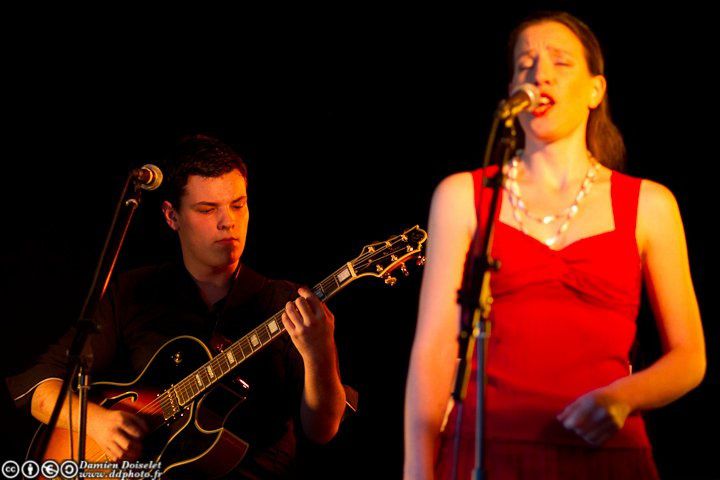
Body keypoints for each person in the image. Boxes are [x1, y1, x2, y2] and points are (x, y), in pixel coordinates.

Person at [404, 11, 705, 480]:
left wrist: (621, 397)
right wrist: (418, 473)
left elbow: (689, 356)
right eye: (525, 64)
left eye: (560, 62)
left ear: (595, 90)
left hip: (605, 455)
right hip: (487, 451)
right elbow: (433, 354)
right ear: (511, 94)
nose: (539, 73)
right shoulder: (461, 196)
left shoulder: (650, 204)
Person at [6, 134, 347, 478]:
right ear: (171, 216)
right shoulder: (134, 291)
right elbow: (37, 387)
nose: (227, 221)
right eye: (207, 209)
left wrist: (321, 352)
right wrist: (98, 422)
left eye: (237, 204)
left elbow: (322, 430)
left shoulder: (284, 302)